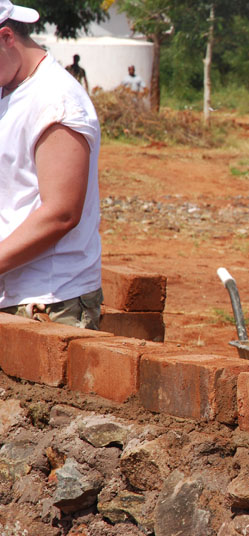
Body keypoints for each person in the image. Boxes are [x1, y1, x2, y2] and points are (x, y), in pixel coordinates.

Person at [0, 0, 103, 329]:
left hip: (52, 301)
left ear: (6, 37)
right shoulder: (9, 89)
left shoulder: (56, 100)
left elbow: (61, 213)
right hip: (12, 289)